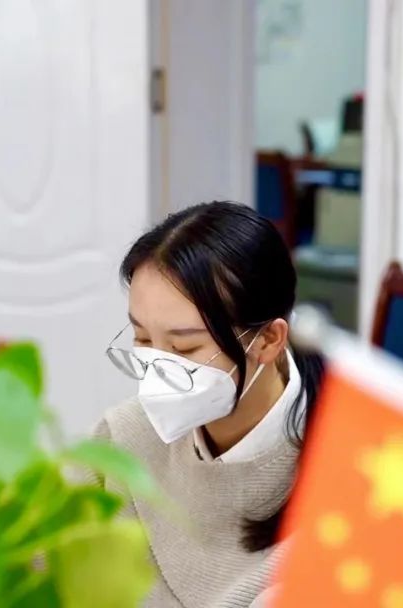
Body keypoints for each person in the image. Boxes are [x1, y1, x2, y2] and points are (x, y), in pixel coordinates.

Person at [93, 201, 324, 608]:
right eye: (143, 339)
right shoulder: (125, 436)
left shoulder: (343, 473)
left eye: (184, 347)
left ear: (268, 340)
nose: (157, 367)